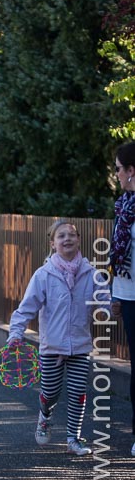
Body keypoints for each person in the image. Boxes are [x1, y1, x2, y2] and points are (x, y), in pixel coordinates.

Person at [8, 219, 104, 456]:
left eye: (72, 235)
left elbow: (104, 301)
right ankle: (45, 415)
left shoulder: (91, 274)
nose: (67, 239)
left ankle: (74, 439)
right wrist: (15, 334)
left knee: (78, 392)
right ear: (53, 244)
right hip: (52, 346)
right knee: (50, 392)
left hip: (80, 345)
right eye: (61, 236)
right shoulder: (44, 275)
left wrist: (111, 308)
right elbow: (26, 308)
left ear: (79, 240)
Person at [110, 141, 135, 457]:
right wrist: (116, 294)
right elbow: (119, 256)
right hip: (129, 295)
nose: (115, 174)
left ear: (131, 171)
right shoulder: (124, 206)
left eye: (117, 169)